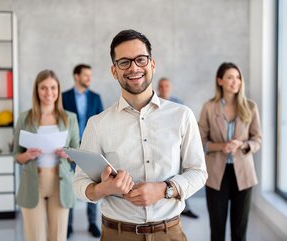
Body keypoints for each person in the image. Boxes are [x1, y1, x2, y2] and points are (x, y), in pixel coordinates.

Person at [73, 29, 207, 241]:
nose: (134, 67)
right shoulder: (97, 124)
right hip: (117, 234)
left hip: (169, 233)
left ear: (152, 64)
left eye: (141, 60)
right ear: (114, 70)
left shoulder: (182, 115)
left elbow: (198, 172)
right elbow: (79, 183)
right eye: (124, 62)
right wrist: (101, 189)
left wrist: (165, 189)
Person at [13, 70, 80, 241]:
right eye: (43, 88)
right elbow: (17, 157)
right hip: (33, 183)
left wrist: (68, 154)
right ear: (36, 90)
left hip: (61, 184)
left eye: (53, 88)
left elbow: (77, 154)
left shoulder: (70, 118)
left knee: (58, 237)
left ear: (58, 90)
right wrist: (27, 155)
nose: (49, 93)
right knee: (36, 238)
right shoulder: (24, 118)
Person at [198, 62, 262, 241]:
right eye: (230, 77)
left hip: (244, 174)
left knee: (239, 230)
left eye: (238, 77)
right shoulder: (209, 107)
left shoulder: (250, 107)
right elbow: (199, 142)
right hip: (217, 174)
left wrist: (241, 144)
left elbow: (257, 140)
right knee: (217, 229)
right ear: (220, 81)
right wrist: (221, 147)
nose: (235, 82)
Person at [62, 64, 103, 238]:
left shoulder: (95, 97)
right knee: (69, 186)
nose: (89, 79)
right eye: (86, 75)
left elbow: (102, 123)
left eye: (90, 76)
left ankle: (92, 222)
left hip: (90, 148)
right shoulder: (63, 97)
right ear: (76, 76)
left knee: (93, 184)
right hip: (70, 148)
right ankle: (68, 225)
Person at [157, 77, 199, 219]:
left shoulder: (179, 104)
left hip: (179, 145)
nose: (164, 88)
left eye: (167, 86)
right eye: (161, 86)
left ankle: (185, 207)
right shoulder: (153, 104)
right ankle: (168, 209)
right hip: (162, 147)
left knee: (184, 175)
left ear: (170, 87)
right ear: (158, 88)